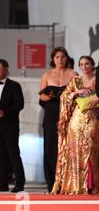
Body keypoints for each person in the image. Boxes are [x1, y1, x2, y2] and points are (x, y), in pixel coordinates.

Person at [52, 56, 99, 194]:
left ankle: (92, 185)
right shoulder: (76, 81)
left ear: (92, 65)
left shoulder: (97, 80)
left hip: (93, 118)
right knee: (75, 151)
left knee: (92, 149)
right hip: (76, 120)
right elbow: (64, 96)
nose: (84, 67)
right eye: (82, 64)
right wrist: (76, 93)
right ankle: (77, 185)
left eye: (87, 64)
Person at [39, 47, 77, 192]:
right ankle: (52, 183)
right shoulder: (47, 75)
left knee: (68, 147)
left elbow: (78, 95)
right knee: (50, 148)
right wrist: (49, 96)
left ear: (66, 58)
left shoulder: (73, 74)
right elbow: (41, 96)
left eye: (62, 57)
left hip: (68, 114)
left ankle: (67, 183)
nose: (60, 60)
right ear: (53, 59)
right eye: (57, 57)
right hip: (50, 113)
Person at [0, 59, 26, 193]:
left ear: (6, 69)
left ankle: (19, 183)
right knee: (0, 155)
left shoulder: (14, 86)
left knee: (14, 154)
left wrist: (4, 112)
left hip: (10, 126)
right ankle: (2, 183)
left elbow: (19, 105)